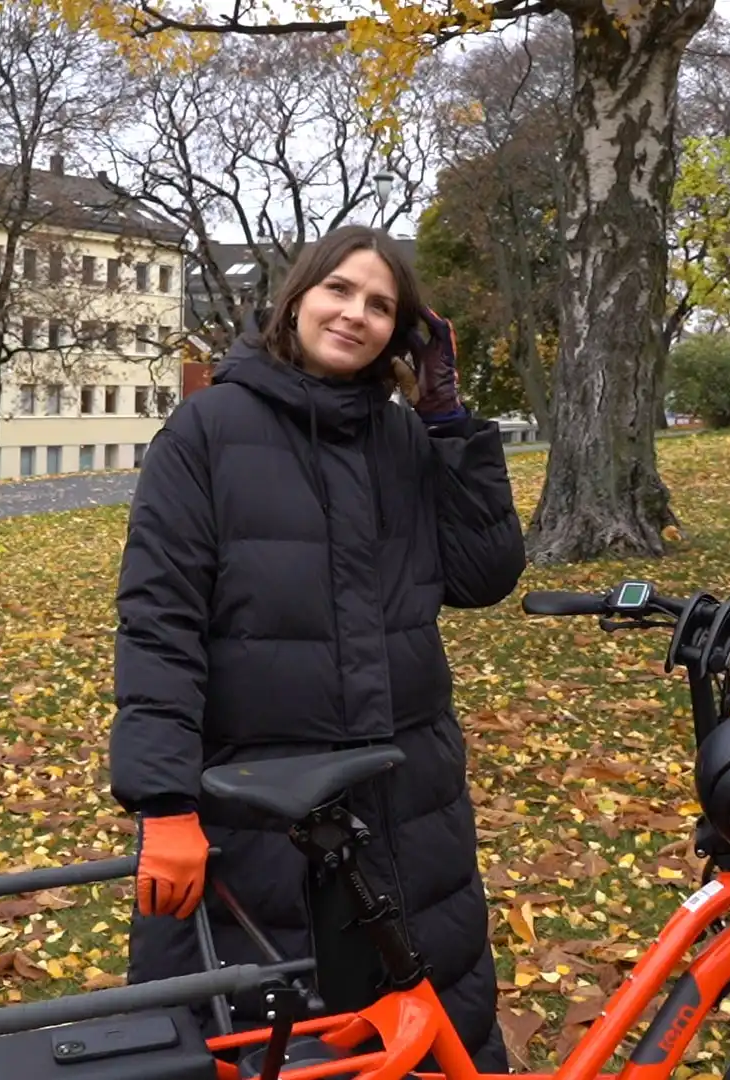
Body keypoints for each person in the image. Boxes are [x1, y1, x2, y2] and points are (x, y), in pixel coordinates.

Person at [109, 225, 525, 1069]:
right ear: (296, 298)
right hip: (259, 809)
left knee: (428, 1029)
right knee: (267, 1041)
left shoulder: (404, 438)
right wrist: (164, 804)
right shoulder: (207, 430)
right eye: (339, 290)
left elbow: (484, 574)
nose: (355, 314)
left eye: (381, 305)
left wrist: (447, 421)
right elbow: (160, 622)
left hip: (409, 803)